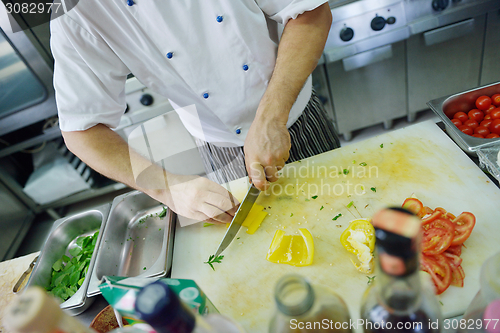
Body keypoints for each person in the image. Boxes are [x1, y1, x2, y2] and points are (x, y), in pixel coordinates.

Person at [50, 0, 340, 225]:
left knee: (343, 211)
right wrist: (168, 189)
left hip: (294, 116)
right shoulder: (74, 12)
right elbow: (81, 130)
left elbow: (310, 12)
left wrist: (271, 117)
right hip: (219, 148)